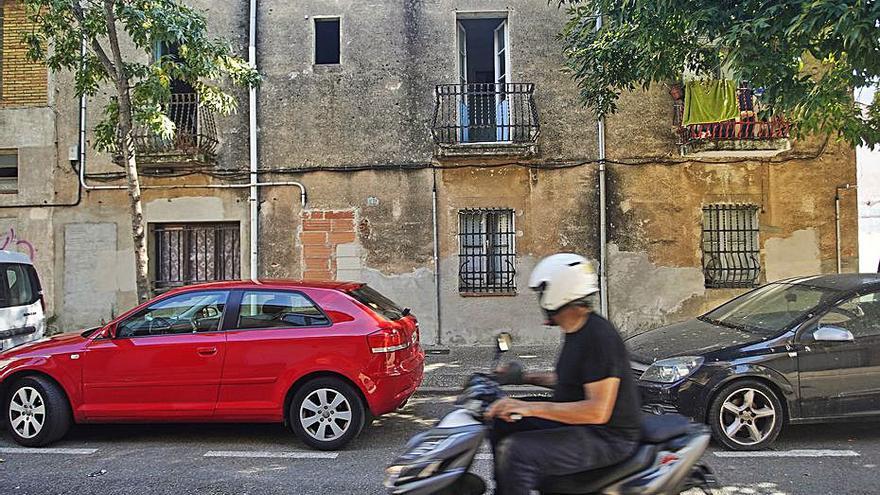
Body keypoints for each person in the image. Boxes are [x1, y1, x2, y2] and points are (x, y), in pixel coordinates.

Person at [486, 253, 641, 495]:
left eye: (542, 293)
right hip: (581, 423)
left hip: (609, 436)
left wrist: (527, 408)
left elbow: (597, 411)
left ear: (558, 292)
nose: (540, 301)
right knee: (501, 421)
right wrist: (523, 377)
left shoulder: (599, 336)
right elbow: (569, 380)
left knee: (516, 452)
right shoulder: (576, 330)